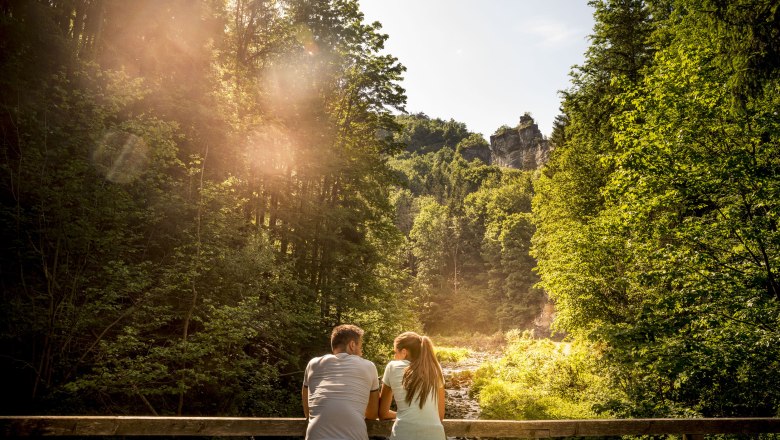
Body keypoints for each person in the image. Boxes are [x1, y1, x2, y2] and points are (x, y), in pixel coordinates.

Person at [302, 324, 380, 440]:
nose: (361, 352)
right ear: (352, 345)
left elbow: (308, 412)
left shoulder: (313, 364)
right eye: (361, 347)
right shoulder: (369, 366)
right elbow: (372, 414)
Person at [378, 331, 446, 440]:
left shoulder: (392, 367)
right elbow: (440, 415)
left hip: (403, 434)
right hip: (435, 435)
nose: (395, 357)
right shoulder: (434, 368)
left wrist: (406, 415)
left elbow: (383, 413)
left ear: (404, 352)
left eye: (395, 352)